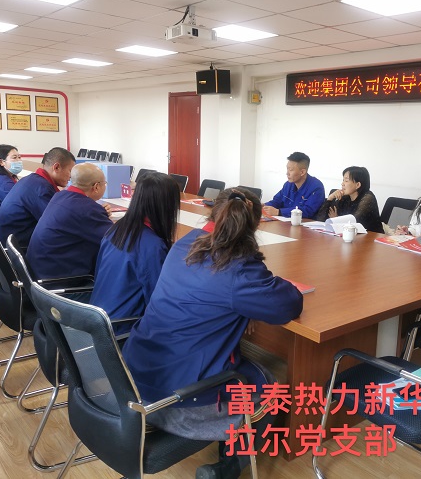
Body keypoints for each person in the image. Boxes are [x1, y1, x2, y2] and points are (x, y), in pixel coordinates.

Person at [121, 188, 303, 479]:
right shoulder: (240, 268)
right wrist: (247, 302)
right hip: (178, 401)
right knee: (271, 387)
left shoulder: (184, 244)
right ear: (255, 226)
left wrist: (243, 307)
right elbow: (290, 304)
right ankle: (228, 468)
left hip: (132, 381)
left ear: (212, 213)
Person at [90, 172, 180, 334]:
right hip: (122, 329)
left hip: (97, 319)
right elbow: (158, 302)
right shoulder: (152, 246)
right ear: (167, 205)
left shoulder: (117, 229)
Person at [27, 163, 113, 279]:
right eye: (104, 183)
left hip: (40, 268)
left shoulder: (60, 195)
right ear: (96, 187)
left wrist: (99, 213)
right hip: (59, 278)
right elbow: (117, 239)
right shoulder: (87, 209)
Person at [0, 147, 76, 248]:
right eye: (70, 171)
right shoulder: (42, 189)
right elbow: (58, 224)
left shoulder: (33, 180)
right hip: (17, 247)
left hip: (7, 242)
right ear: (56, 167)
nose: (71, 176)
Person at [316, 166, 382, 232]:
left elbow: (354, 222)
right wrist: (330, 198)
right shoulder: (345, 197)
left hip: (372, 235)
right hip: (350, 235)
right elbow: (321, 220)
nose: (342, 184)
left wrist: (337, 220)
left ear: (358, 185)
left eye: (346, 181)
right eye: (343, 180)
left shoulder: (368, 198)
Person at [262, 151, 324, 219]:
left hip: (304, 223)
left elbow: (308, 211)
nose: (287, 173)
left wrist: (279, 212)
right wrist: (264, 207)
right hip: (286, 222)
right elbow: (277, 201)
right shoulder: (288, 184)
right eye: (287, 169)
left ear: (302, 172)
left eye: (291, 170)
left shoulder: (316, 187)